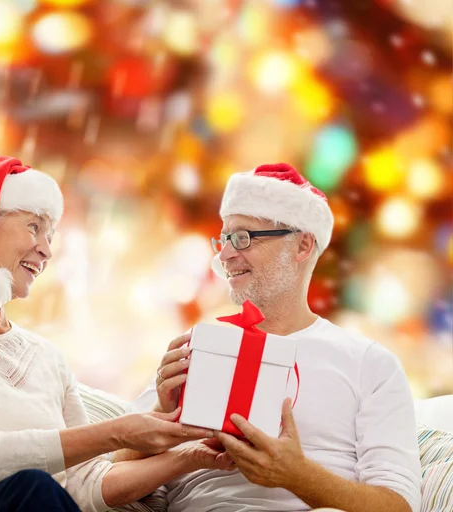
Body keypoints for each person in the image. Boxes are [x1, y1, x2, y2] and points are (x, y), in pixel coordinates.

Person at [0, 156, 234, 512]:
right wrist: (119, 432)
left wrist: (193, 457)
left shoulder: (47, 356)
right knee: (33, 486)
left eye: (50, 235)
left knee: (42, 491)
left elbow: (83, 485)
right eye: (34, 226)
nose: (46, 250)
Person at [131, 163, 422, 512]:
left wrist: (296, 475)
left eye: (242, 238)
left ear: (302, 245)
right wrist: (161, 412)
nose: (223, 255)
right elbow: (105, 471)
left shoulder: (369, 363)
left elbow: (399, 506)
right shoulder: (198, 346)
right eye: (223, 240)